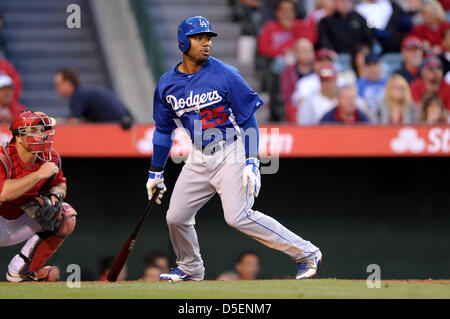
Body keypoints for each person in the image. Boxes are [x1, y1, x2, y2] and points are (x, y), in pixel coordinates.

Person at [147, 16, 322, 282]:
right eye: (199, 38)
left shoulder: (225, 74)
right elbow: (162, 131)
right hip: (197, 156)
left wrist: (252, 159)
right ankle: (190, 268)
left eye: (209, 38)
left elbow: (248, 119)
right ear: (183, 42)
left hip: (231, 149)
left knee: (238, 216)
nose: (206, 43)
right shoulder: (166, 84)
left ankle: (306, 253)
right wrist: (155, 172)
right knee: (176, 217)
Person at [0, 111, 77, 282]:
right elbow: (3, 193)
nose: (41, 136)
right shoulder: (3, 157)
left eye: (42, 131)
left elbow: (60, 183)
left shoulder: (51, 158)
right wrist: (38, 175)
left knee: (66, 215)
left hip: (20, 220)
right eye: (34, 131)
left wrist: (55, 195)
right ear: (19, 137)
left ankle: (20, 271)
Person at [54, 68, 133, 128]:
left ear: (68, 83)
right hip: (127, 121)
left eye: (58, 84)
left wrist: (60, 122)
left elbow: (73, 123)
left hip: (120, 127)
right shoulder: (83, 92)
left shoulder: (78, 95)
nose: (56, 88)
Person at [280, 38, 315, 123]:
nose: (308, 54)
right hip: (296, 106)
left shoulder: (317, 69)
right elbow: (286, 94)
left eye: (310, 51)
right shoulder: (288, 70)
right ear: (296, 53)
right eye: (304, 51)